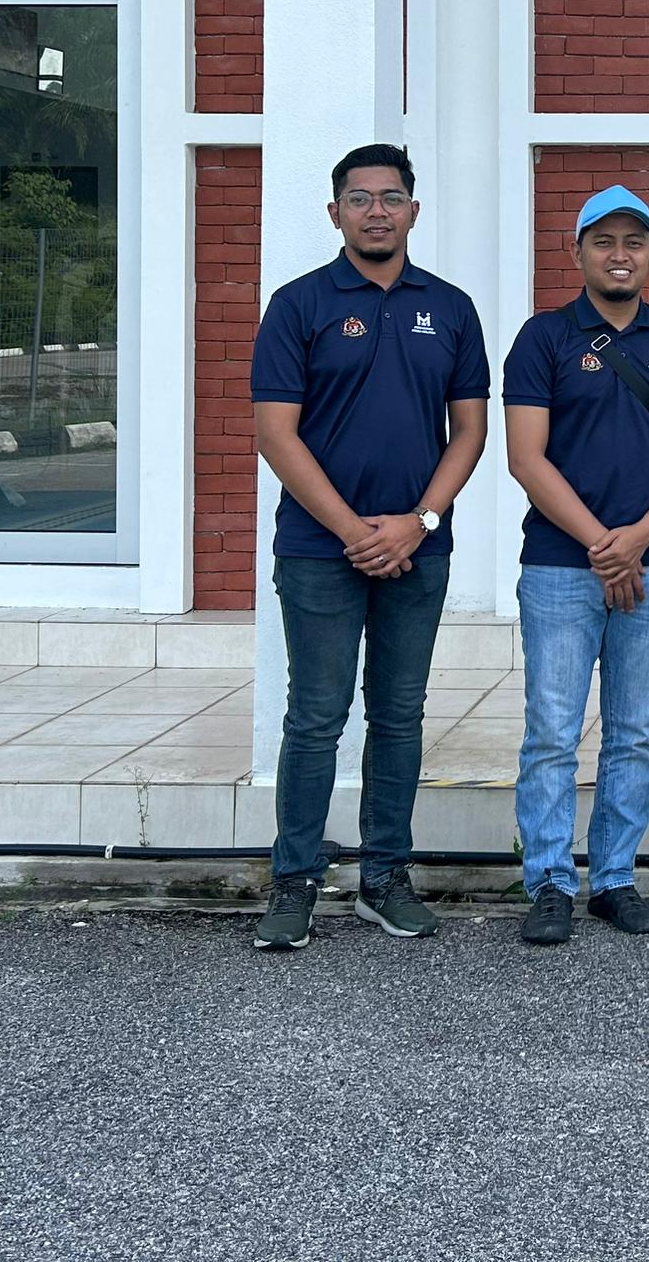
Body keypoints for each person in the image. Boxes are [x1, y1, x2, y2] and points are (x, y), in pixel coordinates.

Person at [247, 143, 490, 952]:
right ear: (335, 213)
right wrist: (355, 530)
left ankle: (385, 877)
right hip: (320, 553)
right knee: (316, 717)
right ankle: (294, 883)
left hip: (418, 549)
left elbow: (471, 431)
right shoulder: (297, 305)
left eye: (391, 197)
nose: (377, 210)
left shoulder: (450, 308)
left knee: (399, 714)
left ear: (414, 211)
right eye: (360, 198)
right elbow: (274, 433)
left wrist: (416, 521)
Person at [502, 186, 649, 945]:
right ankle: (551, 881)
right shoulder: (544, 338)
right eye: (604, 241)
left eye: (634, 242)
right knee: (554, 729)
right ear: (578, 252)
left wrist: (639, 539)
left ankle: (615, 878)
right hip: (562, 566)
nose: (619, 255)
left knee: (633, 729)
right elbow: (526, 458)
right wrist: (604, 542)